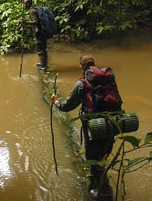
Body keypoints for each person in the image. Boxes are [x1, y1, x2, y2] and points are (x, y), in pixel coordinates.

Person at [51, 54, 123, 201]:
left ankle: (104, 193)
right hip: (111, 123)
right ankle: (99, 182)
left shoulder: (82, 84)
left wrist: (56, 101)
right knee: (104, 154)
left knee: (92, 158)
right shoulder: (109, 80)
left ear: (81, 66)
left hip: (93, 127)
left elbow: (66, 106)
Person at [21, 0, 48, 71]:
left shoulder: (32, 11)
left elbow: (35, 22)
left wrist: (25, 22)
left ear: (28, 4)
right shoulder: (35, 9)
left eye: (25, 3)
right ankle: (43, 63)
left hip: (40, 33)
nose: (24, 5)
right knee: (43, 48)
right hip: (43, 31)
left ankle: (43, 66)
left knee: (40, 48)